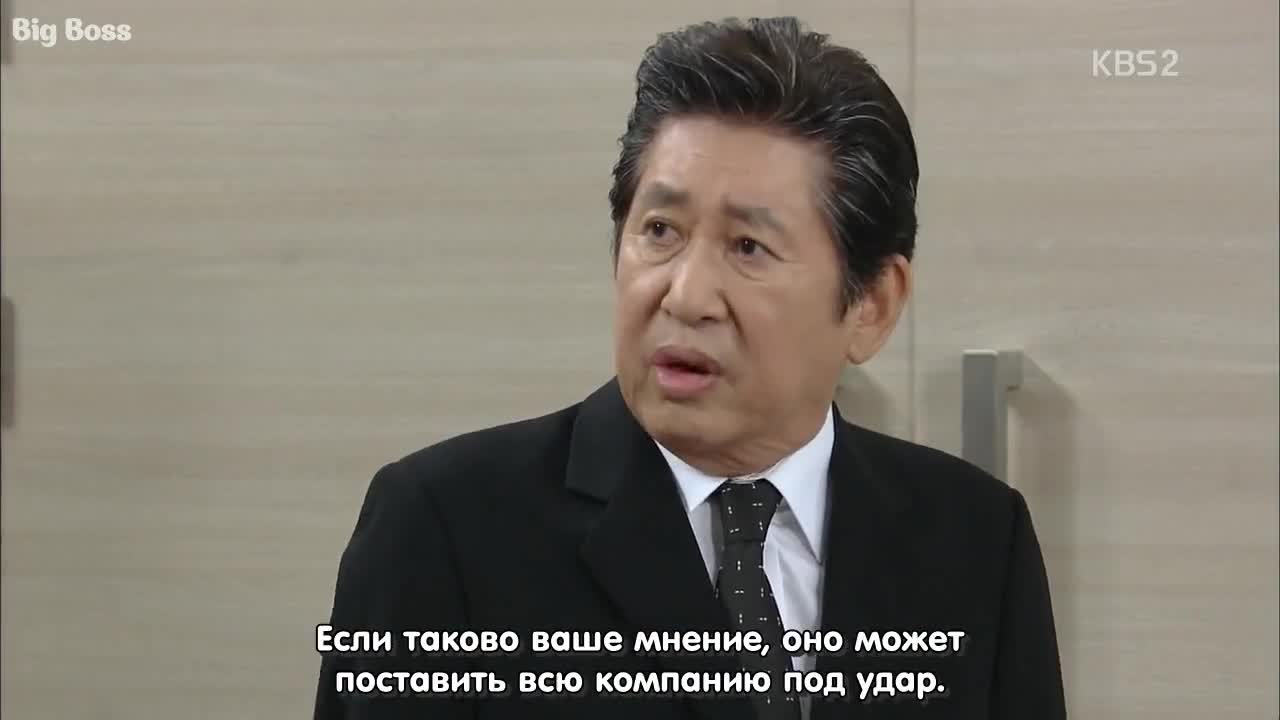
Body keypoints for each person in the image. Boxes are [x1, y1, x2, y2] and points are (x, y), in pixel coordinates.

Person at [314, 15, 1066, 720]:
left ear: (871, 303)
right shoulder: (443, 527)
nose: (686, 295)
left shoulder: (976, 538)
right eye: (660, 231)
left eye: (748, 247)